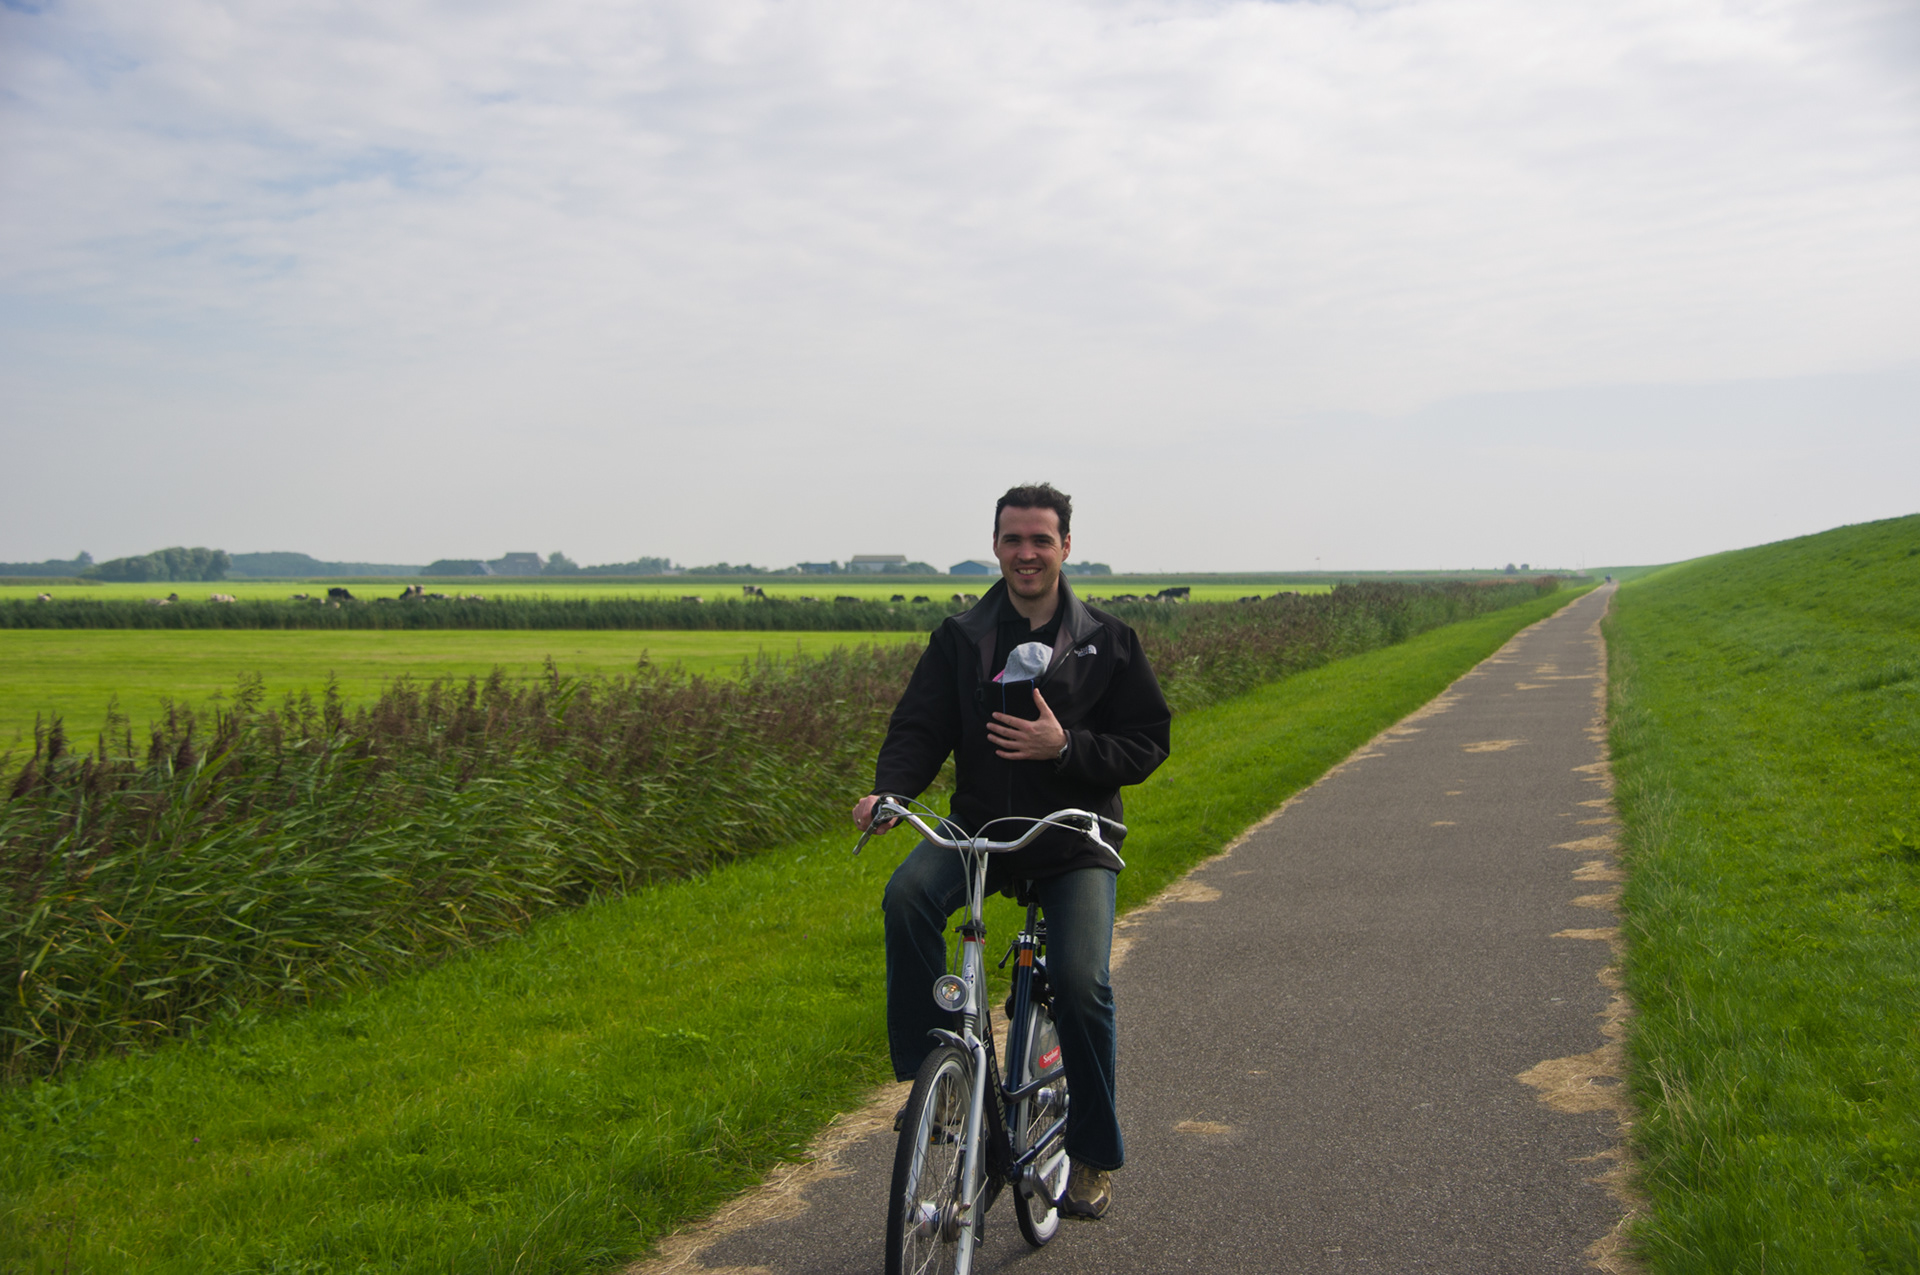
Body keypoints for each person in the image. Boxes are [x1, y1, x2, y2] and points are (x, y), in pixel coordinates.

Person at [851, 482, 1172, 1221]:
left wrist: (1067, 748)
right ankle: (935, 1081)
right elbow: (920, 726)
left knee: (1082, 982)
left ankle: (1092, 1152)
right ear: (996, 546)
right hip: (982, 832)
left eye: (1041, 540)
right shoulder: (961, 637)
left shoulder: (1108, 640)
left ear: (1065, 546)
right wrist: (890, 791)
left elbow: (1146, 742)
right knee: (907, 898)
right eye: (1013, 539)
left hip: (1072, 837)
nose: (1026, 553)